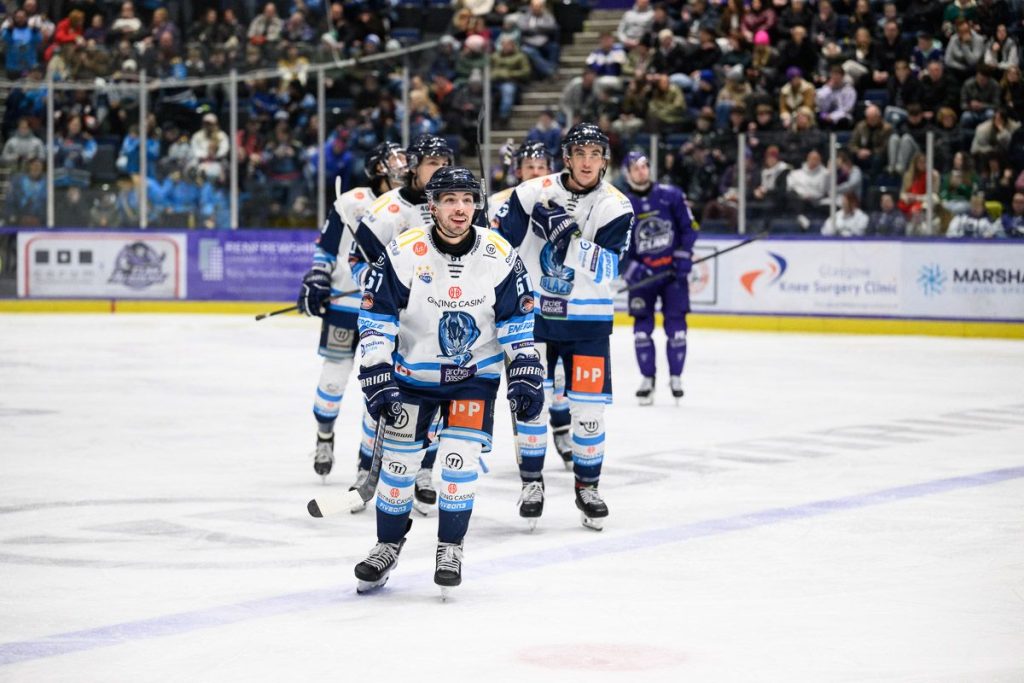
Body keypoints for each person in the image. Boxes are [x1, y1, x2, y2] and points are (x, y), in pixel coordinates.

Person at [352, 167, 543, 595]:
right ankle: (386, 545)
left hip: (473, 378)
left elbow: (517, 321)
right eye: (450, 200)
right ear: (432, 206)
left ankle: (450, 547)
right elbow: (376, 318)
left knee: (458, 464)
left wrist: (526, 369)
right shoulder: (404, 252)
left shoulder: (498, 253)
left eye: (468, 199)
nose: (461, 208)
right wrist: (376, 370)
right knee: (398, 471)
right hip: (412, 379)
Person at [496, 123, 634, 531]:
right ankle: (531, 483)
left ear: (604, 160)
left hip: (587, 323)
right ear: (567, 158)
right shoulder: (531, 192)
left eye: (595, 153)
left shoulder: (617, 205)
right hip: (533, 319)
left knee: (589, 413)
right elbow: (499, 245)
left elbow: (609, 267)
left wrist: (567, 237)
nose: (587, 161)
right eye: (580, 153)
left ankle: (587, 486)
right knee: (531, 405)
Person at [348, 134, 455, 512]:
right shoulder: (386, 209)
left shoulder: (455, 204)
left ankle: (424, 470)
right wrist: (384, 286)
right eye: (432, 163)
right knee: (382, 396)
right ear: (413, 166)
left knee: (440, 399)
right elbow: (357, 263)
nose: (439, 170)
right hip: (396, 322)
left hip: (444, 321)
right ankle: (366, 470)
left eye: (444, 163)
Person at [297, 141, 407, 483]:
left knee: (380, 385)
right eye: (394, 160)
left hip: (389, 310)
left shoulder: (412, 206)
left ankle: (366, 461)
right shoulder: (351, 202)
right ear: (377, 168)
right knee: (333, 379)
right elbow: (327, 250)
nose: (403, 165)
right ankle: (325, 435)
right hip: (346, 307)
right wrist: (316, 278)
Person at [488, 141, 573, 469]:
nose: (536, 172)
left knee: (562, 374)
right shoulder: (500, 202)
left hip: (559, 296)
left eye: (542, 166)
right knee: (531, 372)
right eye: (530, 167)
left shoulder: (566, 196)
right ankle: (531, 438)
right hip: (521, 301)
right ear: (518, 169)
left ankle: (562, 428)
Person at [620, 151, 697, 406]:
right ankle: (647, 379)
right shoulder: (621, 204)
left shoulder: (671, 195)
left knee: (677, 331)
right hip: (643, 280)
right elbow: (617, 245)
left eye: (645, 166)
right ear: (627, 173)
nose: (641, 171)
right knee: (642, 332)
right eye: (635, 167)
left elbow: (689, 227)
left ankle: (676, 377)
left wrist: (683, 257)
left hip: (672, 275)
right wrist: (632, 270)